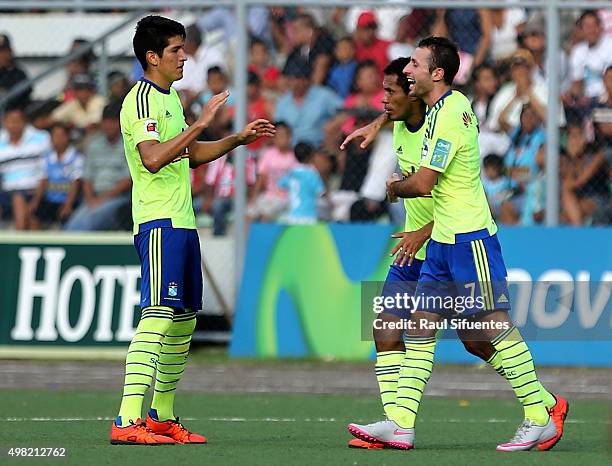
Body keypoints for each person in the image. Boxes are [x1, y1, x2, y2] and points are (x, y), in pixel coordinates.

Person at [348, 37, 567, 452]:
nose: (407, 71)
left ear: (437, 74)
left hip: (469, 238)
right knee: (417, 329)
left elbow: (425, 182)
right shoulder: (430, 112)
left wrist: (393, 187)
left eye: (415, 64)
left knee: (488, 328)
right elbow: (401, 113)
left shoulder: (451, 112)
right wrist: (381, 121)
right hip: (445, 242)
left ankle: (541, 412)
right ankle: (400, 425)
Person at [110, 15, 274, 446]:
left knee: (183, 320)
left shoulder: (168, 100)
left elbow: (189, 154)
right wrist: (201, 123)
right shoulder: (141, 100)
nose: (185, 56)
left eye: (184, 48)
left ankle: (161, 415)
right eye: (176, 50)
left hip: (182, 222)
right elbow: (152, 158)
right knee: (159, 316)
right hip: (159, 222)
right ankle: (127, 421)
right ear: (152, 57)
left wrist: (235, 139)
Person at [64, 103, 132, 231]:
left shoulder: (128, 145)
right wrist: (90, 198)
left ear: (120, 123)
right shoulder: (94, 145)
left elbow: (127, 181)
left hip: (119, 198)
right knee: (74, 222)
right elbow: (88, 177)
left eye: (112, 122)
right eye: (106, 121)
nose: (109, 126)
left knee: (91, 219)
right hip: (93, 197)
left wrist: (102, 199)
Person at [0, 107, 50, 230]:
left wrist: (37, 195)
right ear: (4, 122)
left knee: (23, 203)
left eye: (17, 121)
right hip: (7, 191)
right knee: (19, 199)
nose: (13, 125)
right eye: (10, 121)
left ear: (24, 122)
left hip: (35, 189)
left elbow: (47, 170)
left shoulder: (42, 138)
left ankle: (20, 239)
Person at [29, 122, 83, 228]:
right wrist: (35, 201)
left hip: (68, 201)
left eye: (61, 136)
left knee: (66, 215)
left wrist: (68, 205)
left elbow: (75, 183)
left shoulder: (76, 158)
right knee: (34, 212)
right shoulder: (47, 158)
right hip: (50, 200)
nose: (57, 139)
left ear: (67, 137)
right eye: (55, 136)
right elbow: (43, 181)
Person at [248, 122, 296, 222]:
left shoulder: (294, 157)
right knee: (249, 213)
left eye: (284, 135)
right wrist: (253, 199)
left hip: (286, 198)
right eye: (278, 136)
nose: (281, 139)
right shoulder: (268, 154)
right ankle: (245, 238)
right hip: (269, 195)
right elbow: (261, 178)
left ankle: (264, 237)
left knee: (266, 214)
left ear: (290, 137)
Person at [278, 142, 324, 224]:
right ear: (310, 156)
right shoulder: (312, 172)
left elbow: (281, 184)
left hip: (293, 214)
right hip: (309, 214)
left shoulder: (291, 172)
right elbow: (320, 192)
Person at [0, 33, 31, 109]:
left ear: (10, 52)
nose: (2, 55)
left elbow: (23, 96)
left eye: (4, 51)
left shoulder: (18, 74)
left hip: (10, 114)